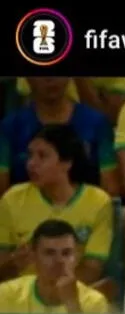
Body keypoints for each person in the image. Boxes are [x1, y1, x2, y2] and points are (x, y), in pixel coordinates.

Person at [0, 124, 114, 296]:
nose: (31, 164)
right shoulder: (12, 199)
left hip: (74, 293)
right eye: (30, 155)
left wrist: (51, 293)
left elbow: (93, 268)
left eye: (42, 156)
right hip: (21, 297)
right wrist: (14, 264)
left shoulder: (98, 201)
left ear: (66, 163)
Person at [0, 76, 119, 197]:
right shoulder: (10, 126)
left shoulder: (97, 123)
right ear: (27, 79)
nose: (51, 79)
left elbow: (110, 189)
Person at [0, 219, 110, 314]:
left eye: (66, 253)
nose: (59, 261)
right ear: (33, 256)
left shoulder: (94, 302)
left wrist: (72, 303)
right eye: (49, 253)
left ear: (76, 258)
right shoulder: (6, 295)